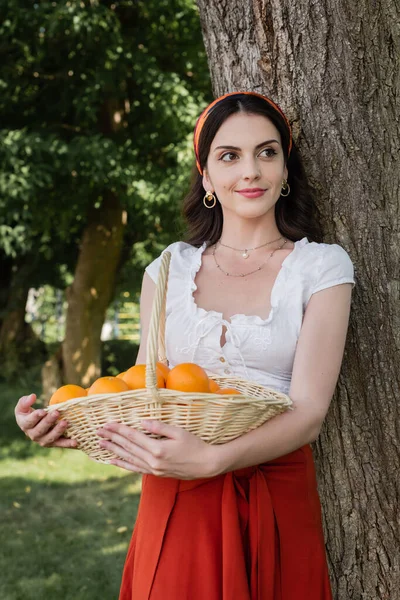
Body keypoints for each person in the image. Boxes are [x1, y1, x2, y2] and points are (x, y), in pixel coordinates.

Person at [15, 91, 355, 599]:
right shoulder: (170, 268)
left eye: (267, 152)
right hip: (175, 491)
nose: (251, 172)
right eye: (229, 156)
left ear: (286, 168)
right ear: (206, 176)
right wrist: (74, 427)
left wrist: (215, 460)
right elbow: (143, 392)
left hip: (272, 488)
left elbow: (309, 411)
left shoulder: (322, 267)